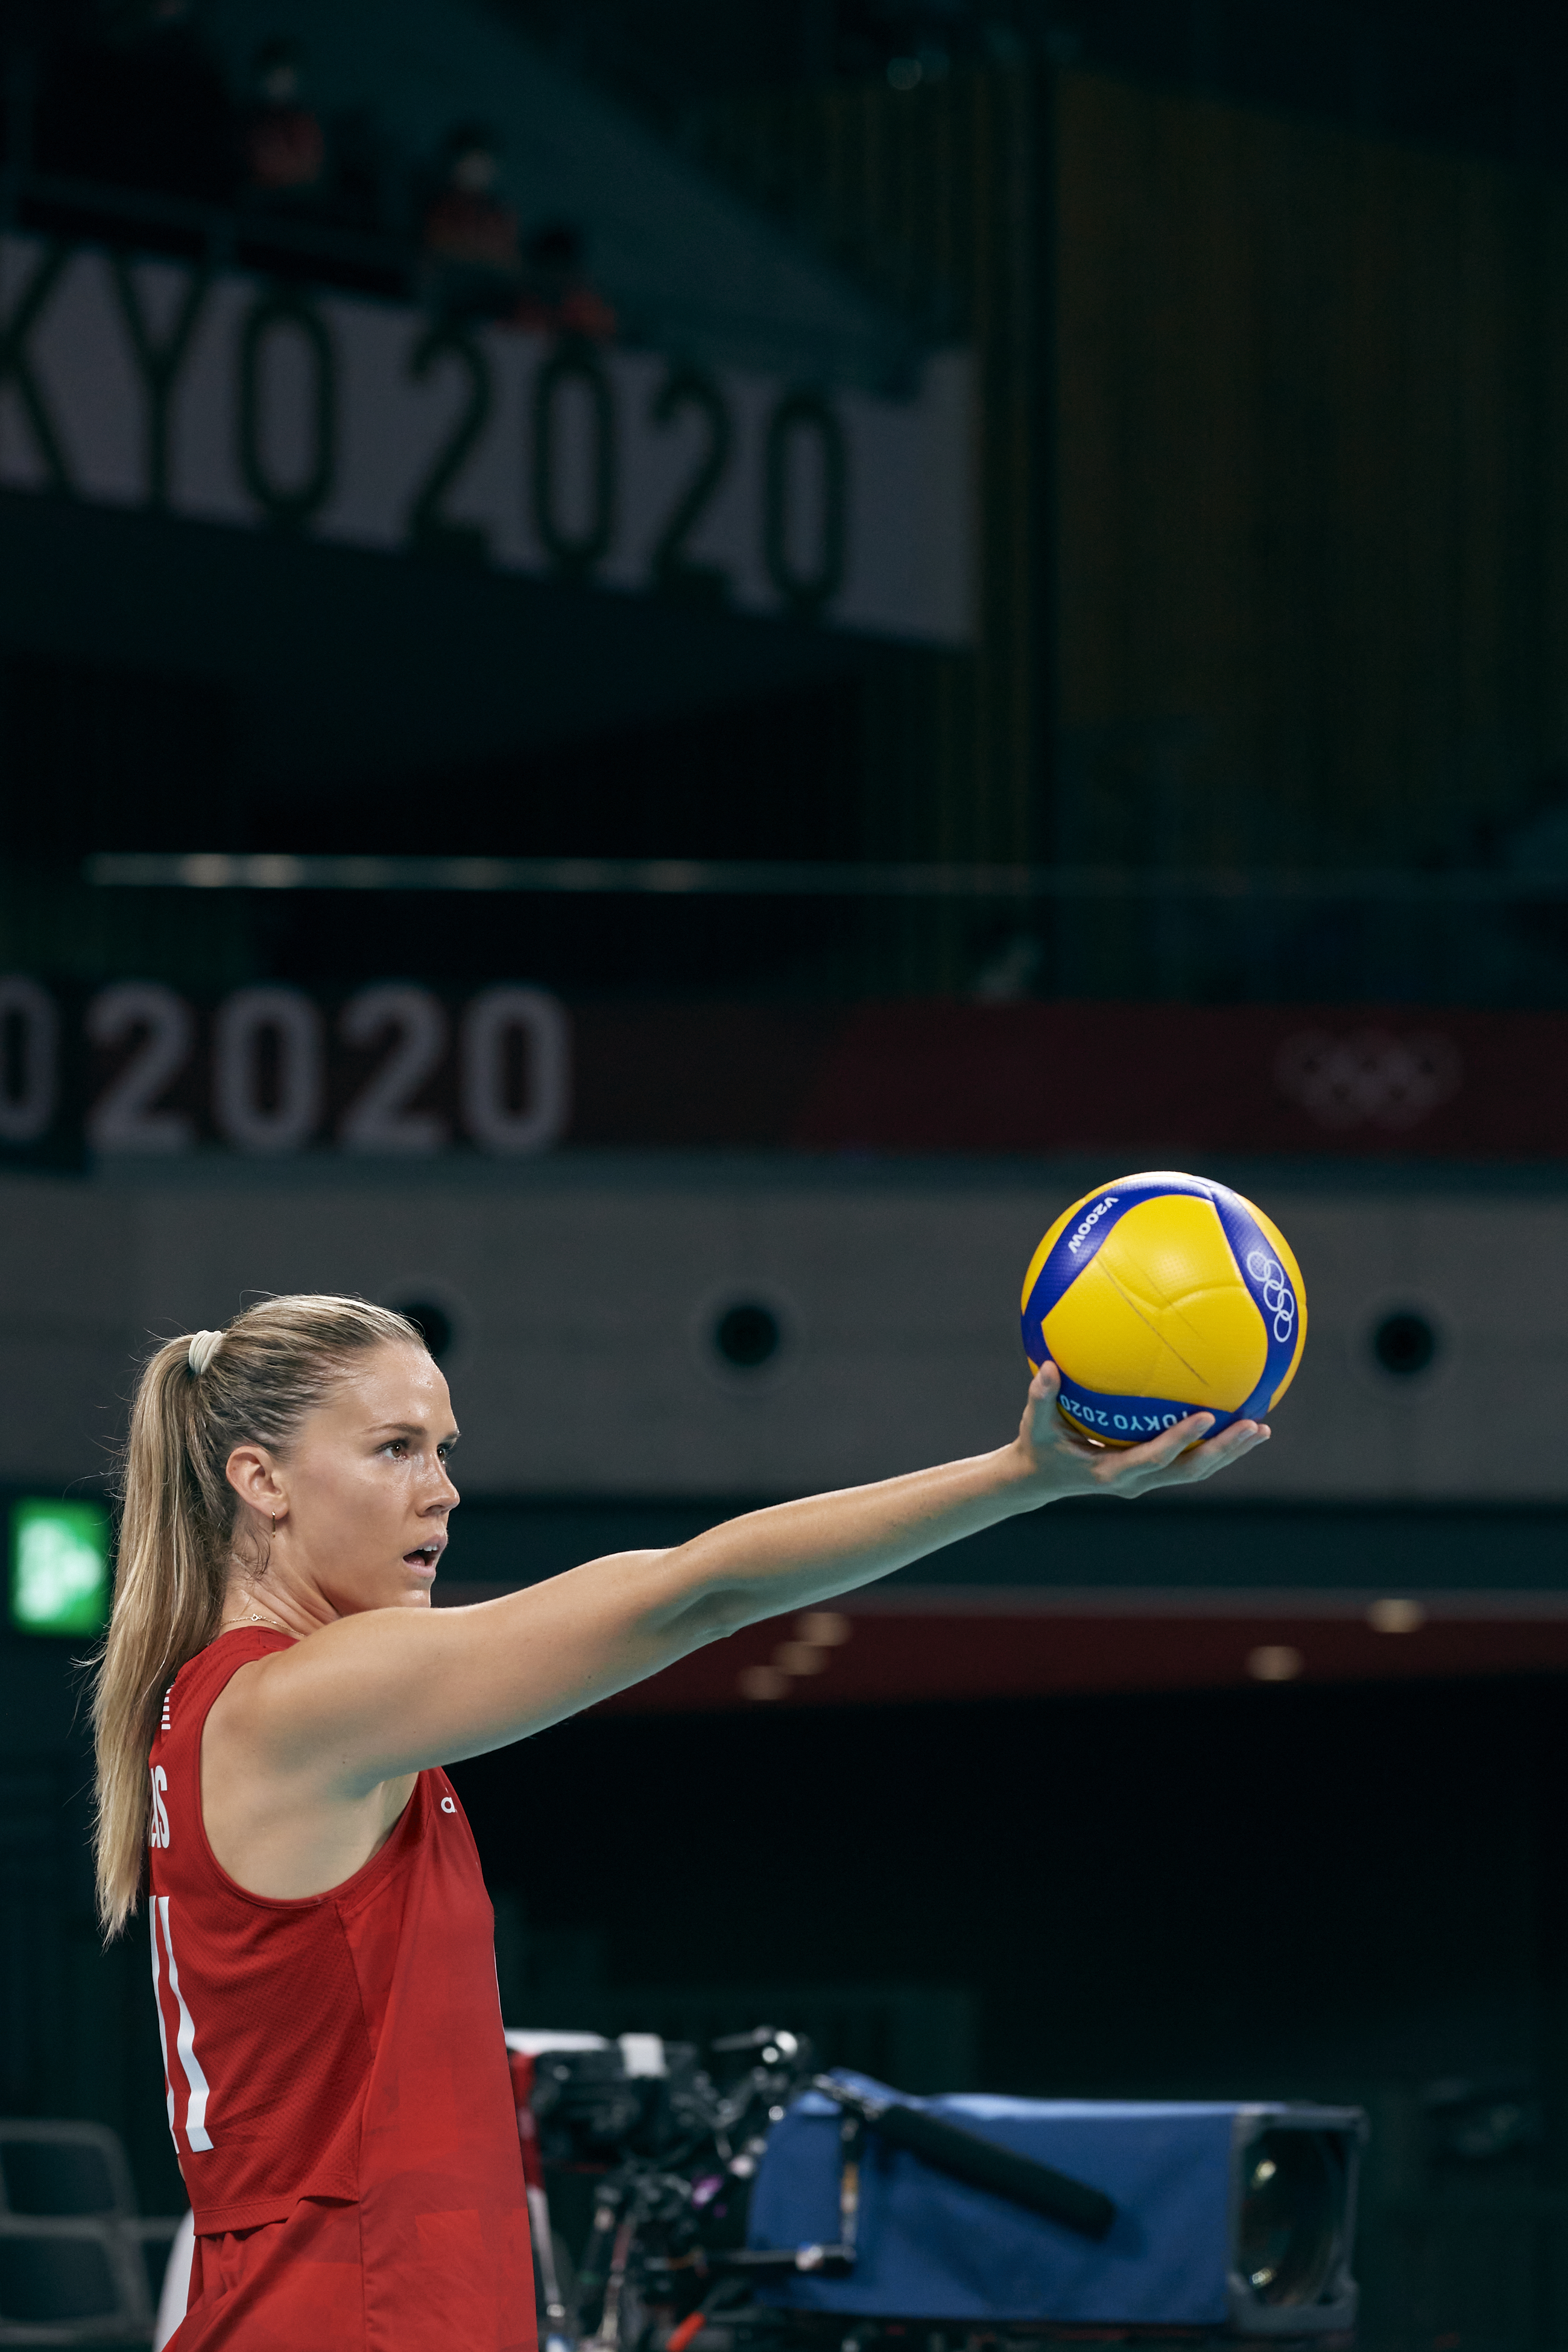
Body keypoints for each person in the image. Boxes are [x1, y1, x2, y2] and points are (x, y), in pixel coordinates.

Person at [92, 1292, 1268, 2349]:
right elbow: (697, 1593)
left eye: (444, 1449)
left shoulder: (262, 1710)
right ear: (261, 1480)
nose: (441, 1487)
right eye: (394, 1448)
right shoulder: (302, 1703)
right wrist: (1024, 1475)